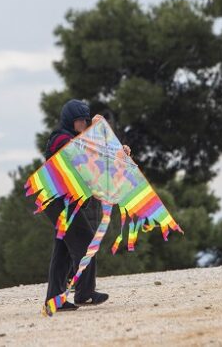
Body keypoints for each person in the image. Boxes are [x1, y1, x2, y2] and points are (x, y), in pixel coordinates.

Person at [43, 99, 131, 311]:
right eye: (80, 121)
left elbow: (97, 164)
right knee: (85, 242)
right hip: (58, 202)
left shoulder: (76, 139)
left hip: (64, 202)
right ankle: (84, 293)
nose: (84, 125)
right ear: (69, 121)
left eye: (85, 121)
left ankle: (55, 299)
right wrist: (110, 148)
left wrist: (120, 153)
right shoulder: (60, 139)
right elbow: (83, 153)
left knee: (63, 251)